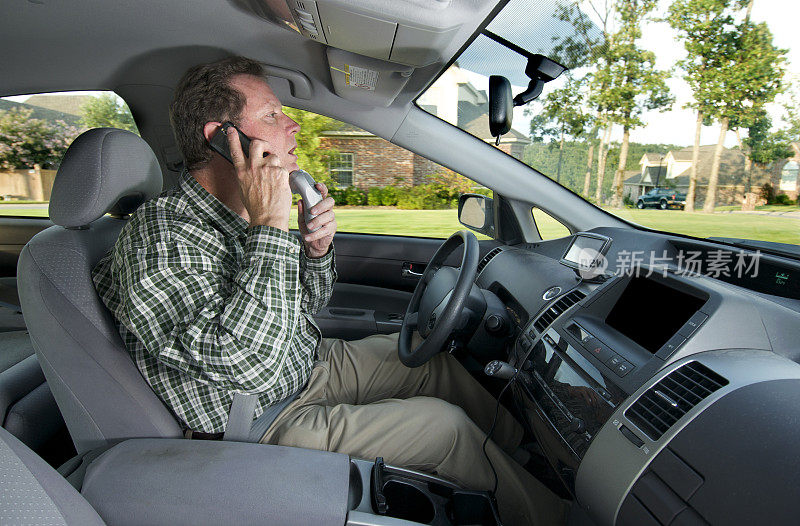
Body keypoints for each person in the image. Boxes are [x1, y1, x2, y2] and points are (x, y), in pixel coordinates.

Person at [93, 56, 566, 525]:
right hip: (259, 419)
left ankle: (522, 457)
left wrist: (315, 251)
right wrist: (274, 227)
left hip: (307, 369)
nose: (293, 125)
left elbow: (308, 305)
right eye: (273, 115)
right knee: (445, 429)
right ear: (223, 138)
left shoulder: (237, 215)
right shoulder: (159, 237)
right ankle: (554, 517)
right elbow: (248, 368)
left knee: (432, 360)